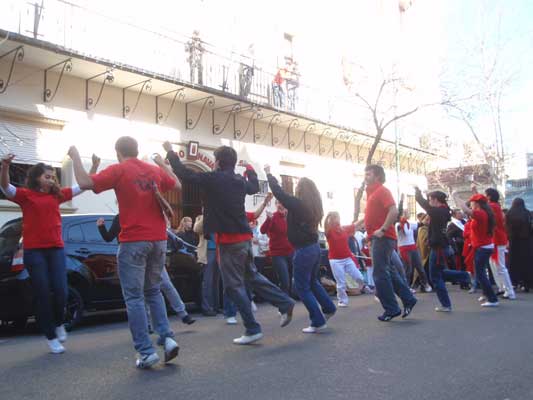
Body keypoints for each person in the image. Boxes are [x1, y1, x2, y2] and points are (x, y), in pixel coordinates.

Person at [164, 142, 295, 345]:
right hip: (244, 238)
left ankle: (252, 328)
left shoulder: (213, 178)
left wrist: (171, 152)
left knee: (233, 286)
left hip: (228, 241)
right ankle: (284, 302)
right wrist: (250, 169)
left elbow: (184, 173)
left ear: (216, 162)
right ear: (233, 163)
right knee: (252, 276)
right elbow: (253, 187)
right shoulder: (238, 181)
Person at [68, 137, 181, 369]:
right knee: (153, 291)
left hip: (134, 241)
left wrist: (75, 157)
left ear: (118, 152)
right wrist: (161, 163)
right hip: (159, 240)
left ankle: (147, 352)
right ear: (137, 150)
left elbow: (84, 181)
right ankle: (167, 338)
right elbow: (177, 185)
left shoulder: (119, 170)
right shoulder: (152, 170)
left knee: (134, 298)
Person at [0, 154, 98, 354]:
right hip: (34, 252)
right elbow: (5, 188)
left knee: (61, 290)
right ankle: (51, 337)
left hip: (56, 250)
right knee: (43, 293)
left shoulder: (57, 195)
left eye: (53, 177)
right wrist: (5, 167)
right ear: (37, 178)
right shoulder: (26, 195)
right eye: (47, 176)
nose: (51, 179)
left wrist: (95, 166)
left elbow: (84, 186)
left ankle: (59, 322)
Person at [265, 165, 336, 332]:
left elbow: (280, 194)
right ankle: (328, 308)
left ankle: (318, 321)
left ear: (300, 190)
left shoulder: (298, 204)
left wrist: (269, 175)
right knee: (312, 282)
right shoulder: (314, 207)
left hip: (303, 250)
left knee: (302, 287)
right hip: (314, 248)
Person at [97, 215, 196, 325]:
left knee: (158, 287)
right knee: (152, 289)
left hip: (145, 255)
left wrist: (101, 226)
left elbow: (109, 237)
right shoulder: (122, 217)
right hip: (140, 255)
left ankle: (178, 316)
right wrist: (101, 227)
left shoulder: (137, 215)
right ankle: (154, 323)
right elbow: (109, 237)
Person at [362, 165, 417, 321]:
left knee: (380, 274)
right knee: (389, 272)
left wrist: (383, 229)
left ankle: (392, 308)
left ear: (377, 176)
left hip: (382, 238)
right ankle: (408, 299)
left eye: (368, 174)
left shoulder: (382, 191)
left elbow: (393, 211)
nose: (365, 176)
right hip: (378, 237)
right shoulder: (372, 193)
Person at [416, 188, 471, 312]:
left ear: (435, 200)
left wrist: (417, 191)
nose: (429, 202)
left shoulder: (439, 211)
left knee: (435, 276)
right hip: (441, 246)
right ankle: (464, 276)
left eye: (430, 199)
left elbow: (422, 203)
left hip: (439, 248)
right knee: (439, 273)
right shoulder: (444, 210)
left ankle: (446, 304)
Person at [454, 193, 499, 307]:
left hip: (482, 247)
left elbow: (465, 209)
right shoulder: (483, 213)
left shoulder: (480, 213)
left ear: (477, 204)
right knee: (481, 272)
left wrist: (456, 196)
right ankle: (486, 294)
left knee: (480, 274)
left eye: (472, 203)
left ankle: (492, 299)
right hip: (483, 246)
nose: (471, 204)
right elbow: (467, 210)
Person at [324, 212, 369, 307]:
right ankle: (342, 301)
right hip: (335, 260)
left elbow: (355, 225)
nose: (337, 219)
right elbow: (325, 226)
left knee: (359, 277)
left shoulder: (344, 229)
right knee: (341, 282)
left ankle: (362, 287)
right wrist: (328, 217)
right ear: (331, 219)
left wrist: (365, 217)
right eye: (335, 218)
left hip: (347, 258)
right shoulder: (329, 231)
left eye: (337, 217)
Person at [481, 187, 516, 300]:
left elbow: (482, 208)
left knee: (500, 266)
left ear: (489, 196)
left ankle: (509, 291)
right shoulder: (494, 206)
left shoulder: (493, 206)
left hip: (498, 239)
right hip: (494, 239)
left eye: (485, 195)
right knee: (494, 266)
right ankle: (502, 288)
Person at [260, 198, 294, 295]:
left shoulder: (290, 217)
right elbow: (263, 230)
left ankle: (287, 303)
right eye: (278, 203)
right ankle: (284, 307)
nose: (281, 205)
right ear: (276, 205)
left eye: (283, 203)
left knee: (291, 281)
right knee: (285, 282)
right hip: (278, 254)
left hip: (291, 252)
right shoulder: (273, 216)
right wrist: (268, 219)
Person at [395, 209, 431, 292]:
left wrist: (429, 213)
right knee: (408, 269)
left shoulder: (410, 223)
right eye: (406, 213)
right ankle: (406, 287)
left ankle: (425, 283)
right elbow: (400, 229)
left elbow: (421, 224)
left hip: (413, 248)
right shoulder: (397, 224)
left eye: (408, 212)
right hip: (404, 249)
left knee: (419, 266)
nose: (408, 214)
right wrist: (401, 220)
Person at [505, 198, 533, 292]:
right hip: (526, 242)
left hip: (513, 242)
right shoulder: (528, 213)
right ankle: (526, 284)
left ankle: (513, 283)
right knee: (526, 263)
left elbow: (507, 228)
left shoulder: (509, 214)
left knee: (513, 263)